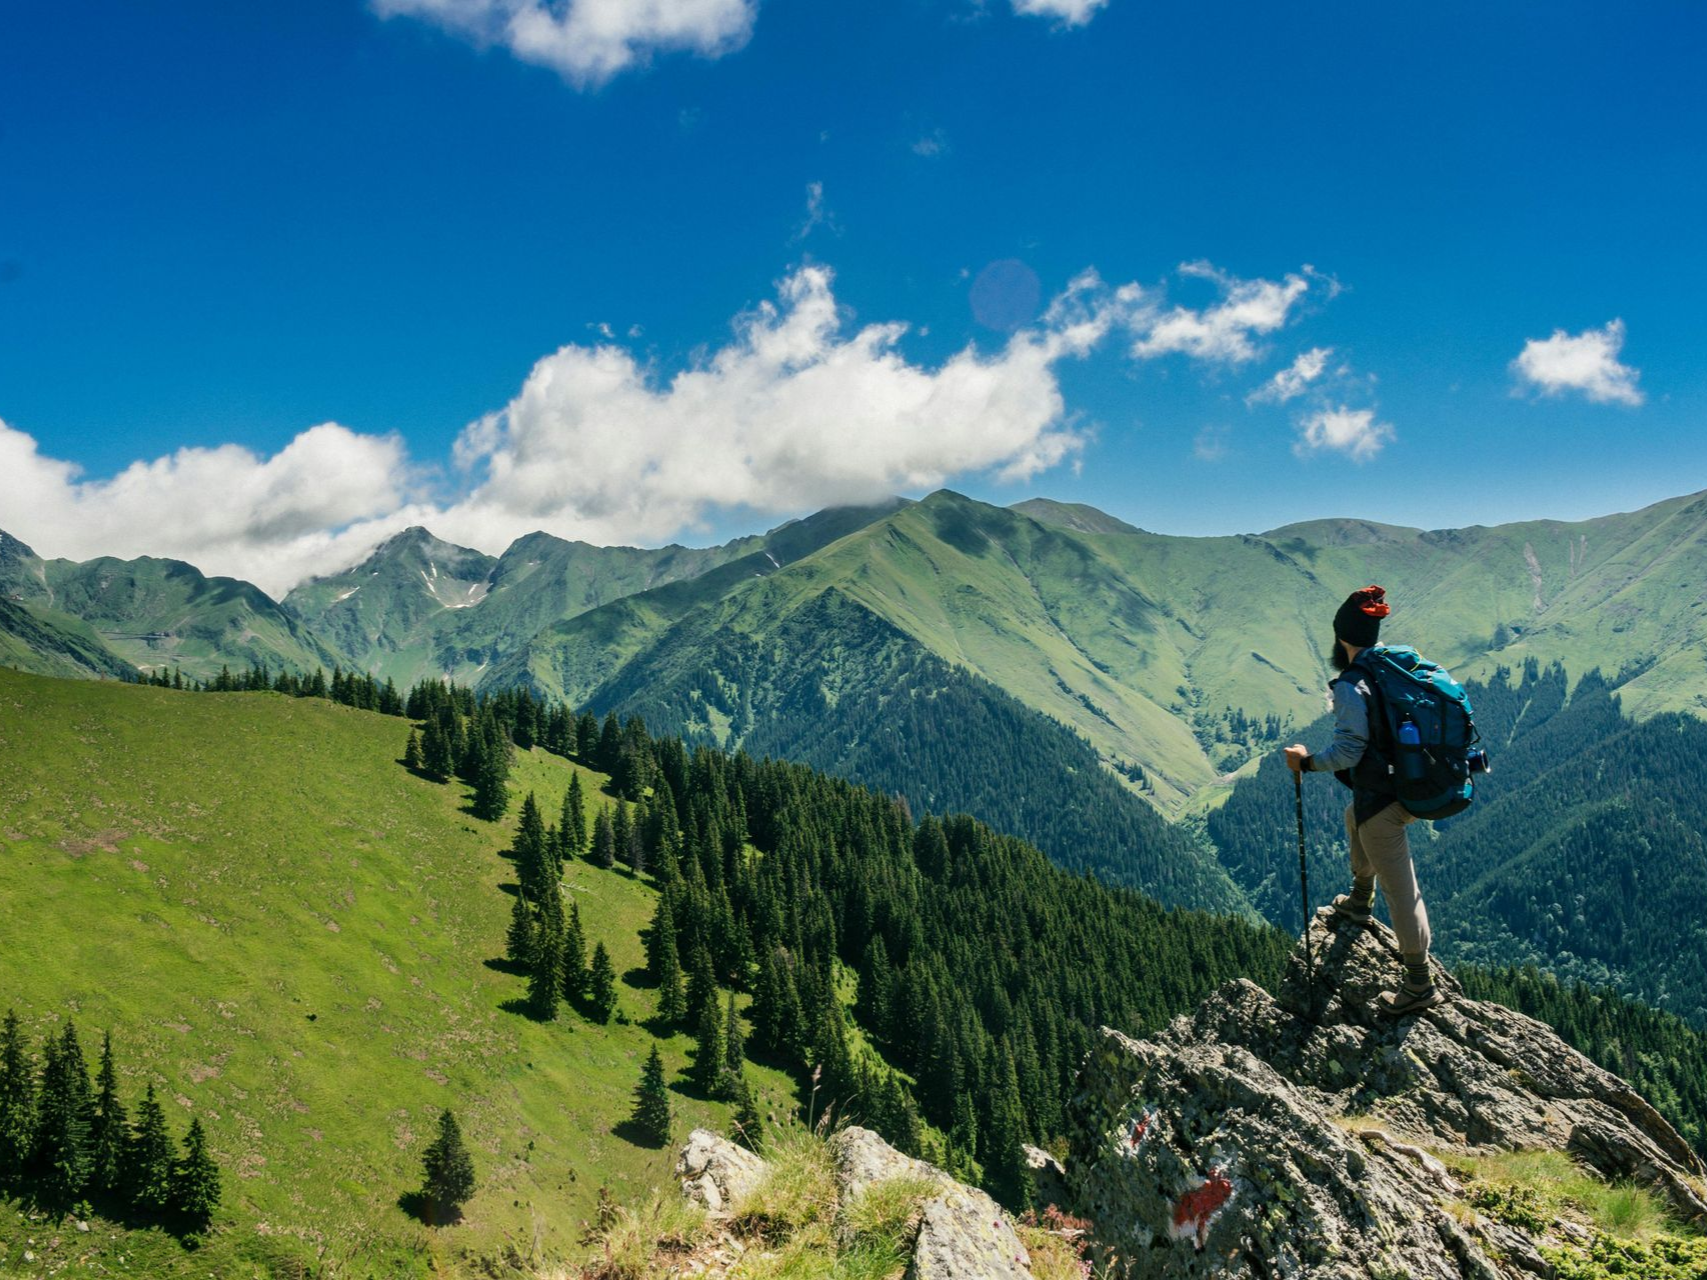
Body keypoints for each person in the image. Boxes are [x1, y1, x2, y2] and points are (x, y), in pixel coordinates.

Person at [1283, 585, 1445, 1016]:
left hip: (1387, 799)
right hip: (1414, 783)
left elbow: (1349, 752)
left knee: (1402, 889)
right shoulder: (1393, 666)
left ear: (1341, 639)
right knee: (1354, 814)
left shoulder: (1354, 685)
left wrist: (1306, 762)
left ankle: (1418, 983)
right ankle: (1359, 900)